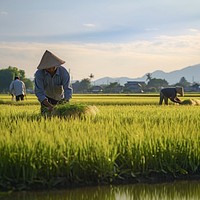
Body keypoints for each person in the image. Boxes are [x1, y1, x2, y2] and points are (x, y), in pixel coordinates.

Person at [34, 50, 73, 114]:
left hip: (60, 99)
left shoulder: (63, 72)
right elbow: (39, 92)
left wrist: (65, 102)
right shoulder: (39, 74)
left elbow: (67, 89)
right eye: (48, 68)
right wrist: (49, 106)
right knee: (45, 117)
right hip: (46, 99)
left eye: (53, 67)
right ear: (44, 67)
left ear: (56, 65)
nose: (51, 70)